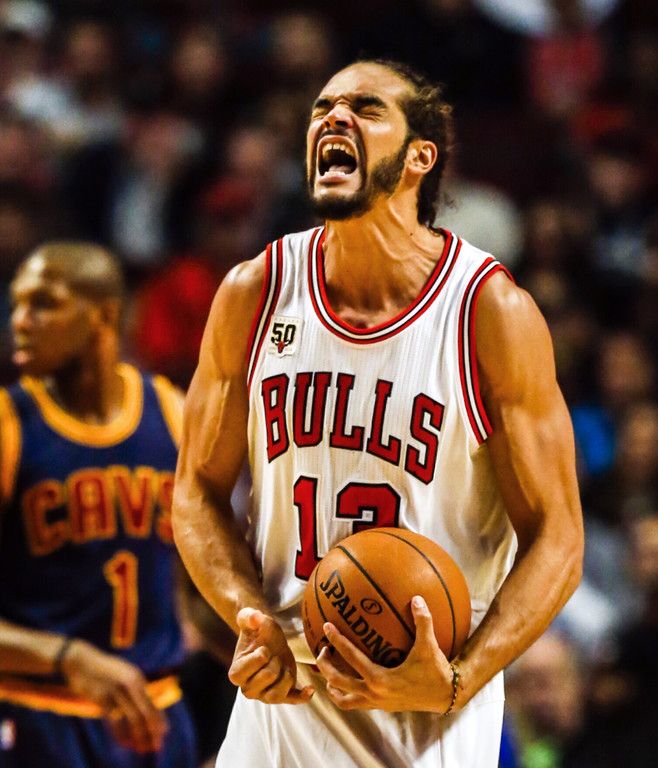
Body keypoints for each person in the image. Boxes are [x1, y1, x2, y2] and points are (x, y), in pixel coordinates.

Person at [172, 59, 584, 767]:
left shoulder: (487, 313)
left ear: (421, 155)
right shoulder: (255, 293)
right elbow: (195, 492)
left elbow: (559, 538)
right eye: (322, 108)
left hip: (423, 723)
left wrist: (458, 680)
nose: (333, 117)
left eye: (366, 108)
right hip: (281, 711)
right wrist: (250, 617)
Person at [0, 242, 196, 766]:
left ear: (104, 316)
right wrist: (68, 657)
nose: (20, 321)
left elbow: (201, 587)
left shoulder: (174, 414)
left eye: (43, 303)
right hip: (36, 712)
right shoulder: (8, 426)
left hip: (156, 714)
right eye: (16, 304)